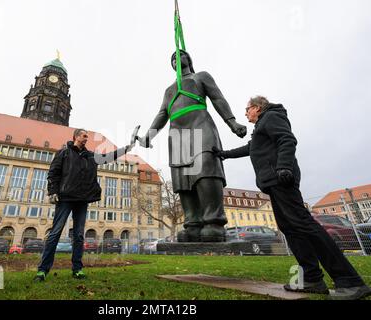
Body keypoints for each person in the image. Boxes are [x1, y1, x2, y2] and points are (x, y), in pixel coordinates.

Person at [215, 96, 371, 300]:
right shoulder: (262, 126)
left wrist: (284, 167)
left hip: (281, 178)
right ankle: (312, 279)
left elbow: (287, 139)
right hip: (273, 181)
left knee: (304, 224)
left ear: (257, 108)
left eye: (247, 110)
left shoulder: (271, 117)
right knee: (289, 227)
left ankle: (350, 281)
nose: (245, 114)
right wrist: (223, 154)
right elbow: (249, 148)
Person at [138, 50, 246, 242]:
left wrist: (232, 122)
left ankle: (213, 221)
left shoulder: (201, 77)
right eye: (172, 58)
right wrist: (149, 135)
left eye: (180, 55)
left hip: (200, 124)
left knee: (206, 167)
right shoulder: (169, 90)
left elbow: (218, 98)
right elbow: (162, 114)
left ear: (188, 59)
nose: (175, 59)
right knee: (183, 177)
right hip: (177, 132)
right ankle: (193, 223)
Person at [34, 128, 134, 282]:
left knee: (79, 235)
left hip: (82, 199)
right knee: (55, 233)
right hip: (65, 198)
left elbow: (108, 157)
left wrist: (127, 148)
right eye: (84, 136)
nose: (87, 138)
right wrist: (52, 191)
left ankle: (77, 269)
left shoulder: (90, 156)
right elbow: (53, 172)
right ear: (76, 137)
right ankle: (42, 270)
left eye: (87, 136)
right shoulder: (64, 153)